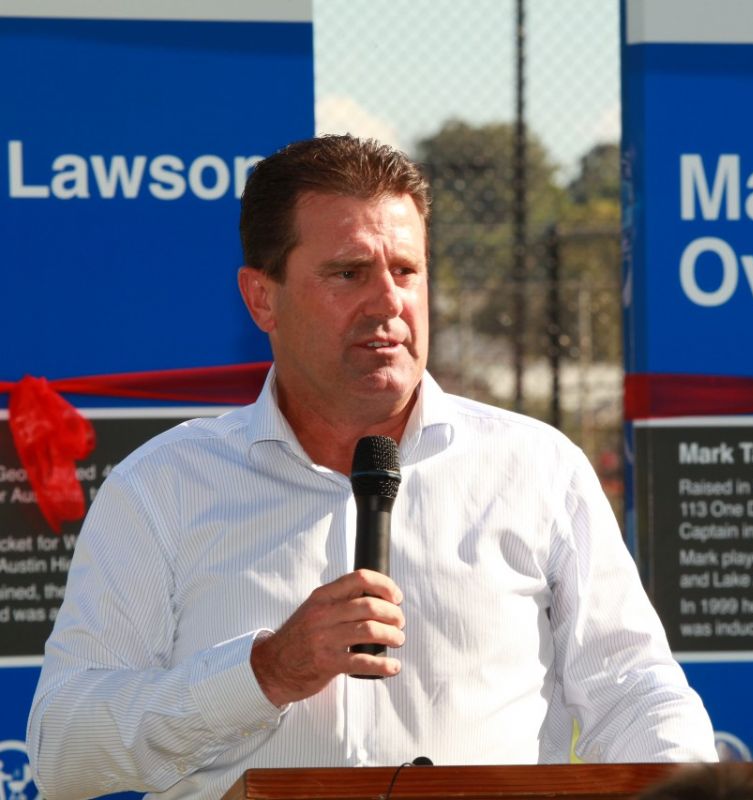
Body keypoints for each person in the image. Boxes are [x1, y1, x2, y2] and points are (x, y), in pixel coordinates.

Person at [26, 135, 717, 800]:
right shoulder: (163, 487)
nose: (389, 303)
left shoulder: (537, 470)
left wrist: (684, 784)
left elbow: (634, 689)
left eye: (406, 271)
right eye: (349, 272)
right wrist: (262, 672)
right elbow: (63, 748)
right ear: (261, 297)